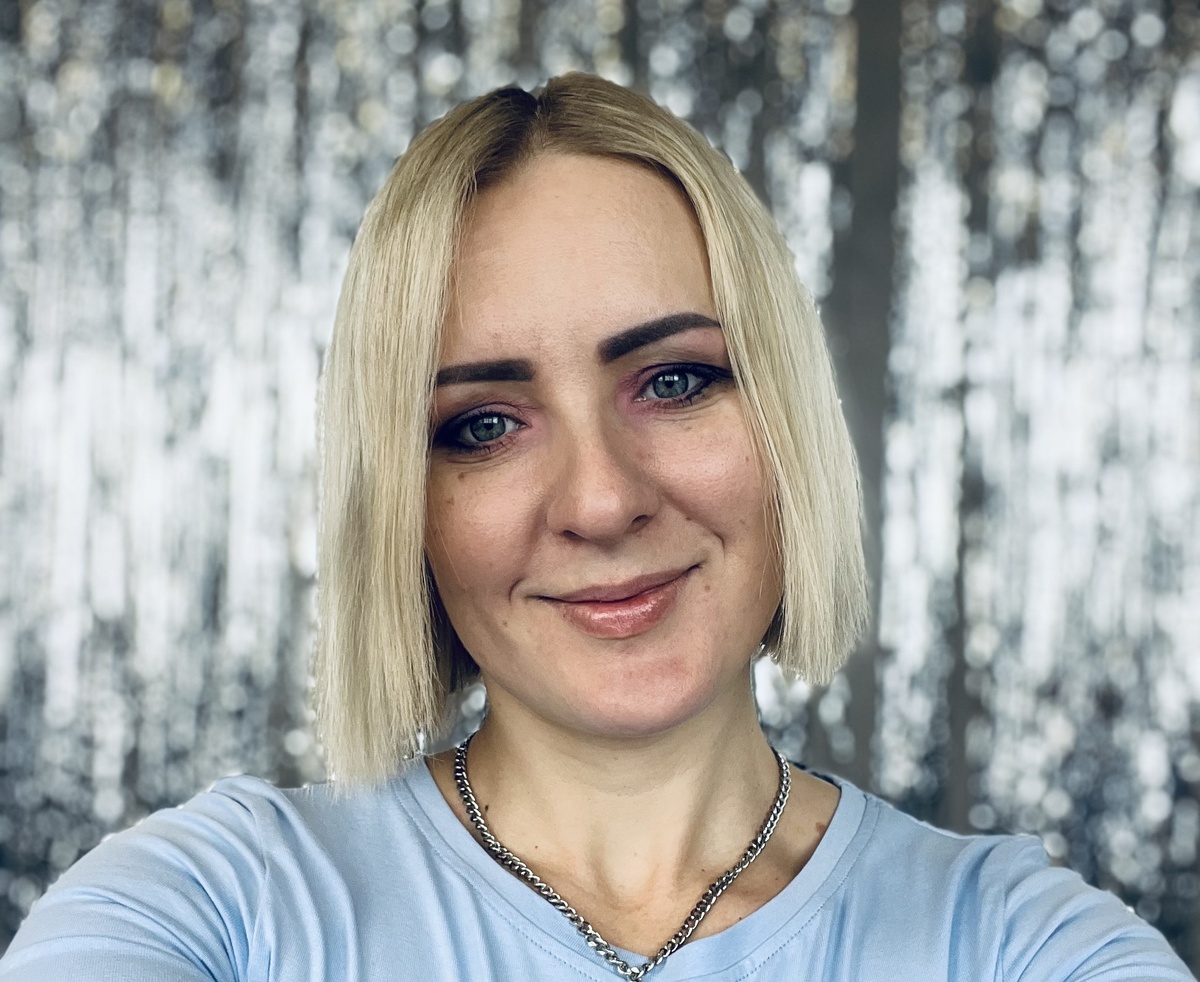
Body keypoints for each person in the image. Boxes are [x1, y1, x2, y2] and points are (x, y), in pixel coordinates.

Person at [0, 72, 1191, 982]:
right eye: (482, 425)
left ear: (785, 415)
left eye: (675, 381)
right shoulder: (208, 911)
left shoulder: (1020, 945)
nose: (602, 499)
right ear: (403, 506)